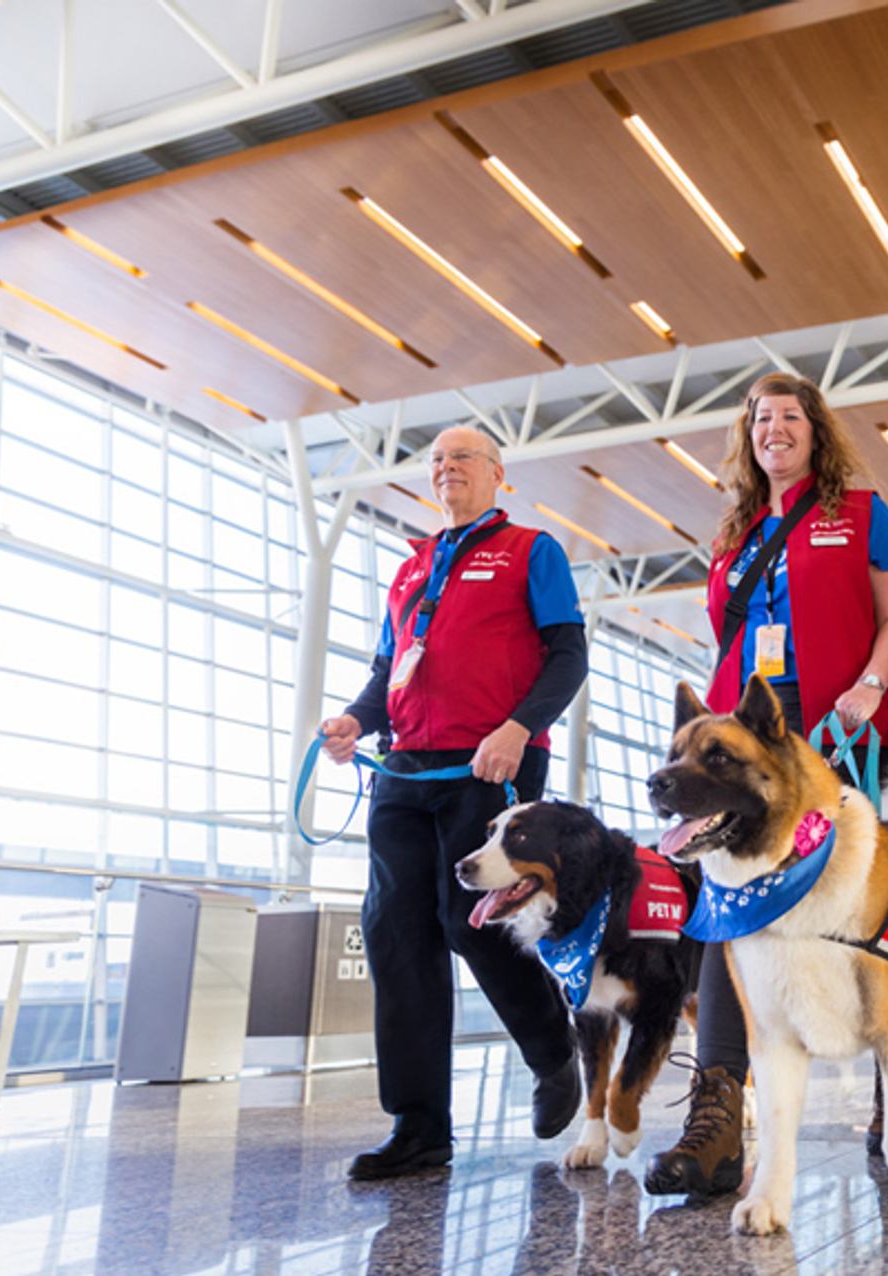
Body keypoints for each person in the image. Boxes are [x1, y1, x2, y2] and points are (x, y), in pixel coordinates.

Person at [644, 373, 888, 1197]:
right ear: (748, 435)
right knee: (729, 911)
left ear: (816, 431)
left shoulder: (859, 514)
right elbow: (728, 641)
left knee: (871, 904)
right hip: (750, 733)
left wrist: (869, 687)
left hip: (840, 724)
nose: (776, 430)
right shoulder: (733, 533)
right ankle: (719, 1113)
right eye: (762, 419)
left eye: (792, 417)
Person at [318, 425, 590, 1180]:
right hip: (404, 770)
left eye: (462, 458)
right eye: (436, 461)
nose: (446, 469)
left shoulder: (531, 551)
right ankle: (419, 1126)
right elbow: (387, 675)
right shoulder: (409, 571)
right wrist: (354, 721)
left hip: (490, 766)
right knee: (396, 934)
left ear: (498, 473)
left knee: (467, 923)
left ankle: (553, 1049)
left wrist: (519, 727)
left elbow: (569, 654)